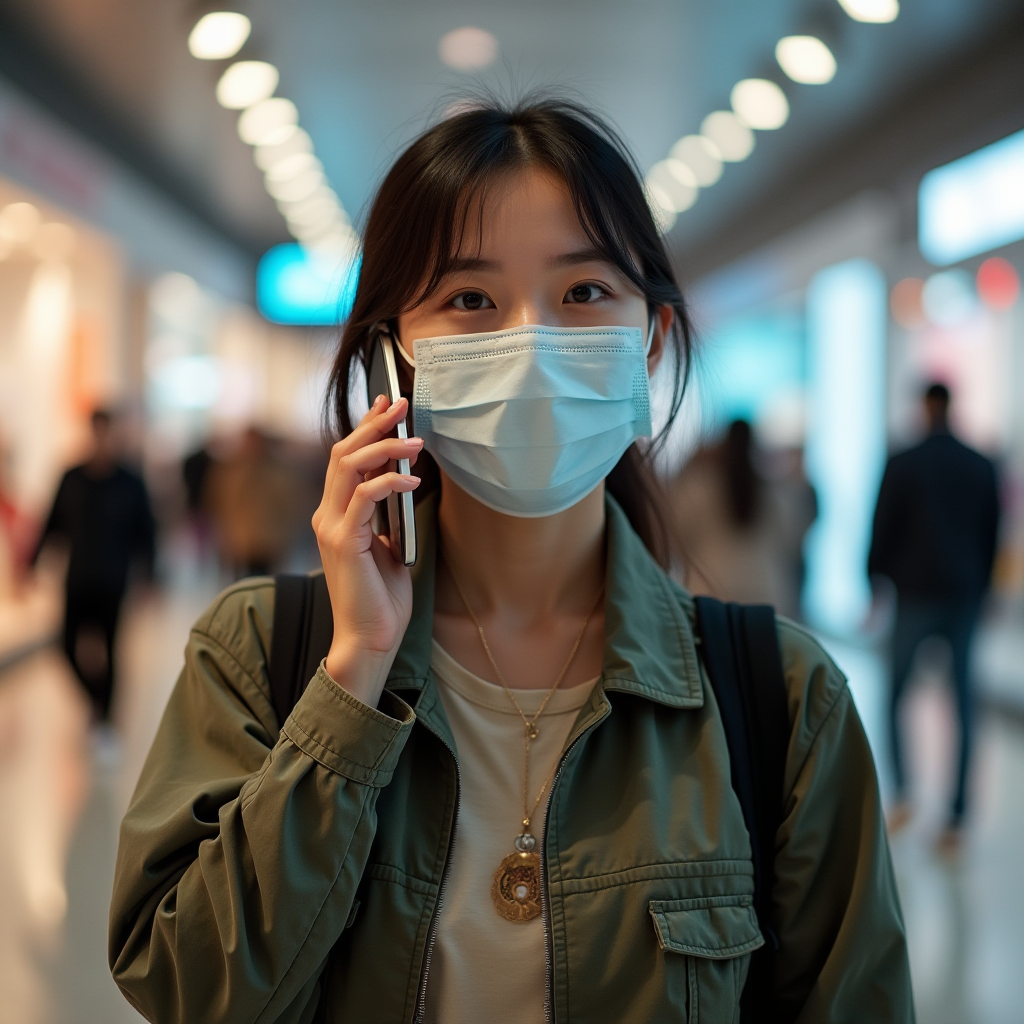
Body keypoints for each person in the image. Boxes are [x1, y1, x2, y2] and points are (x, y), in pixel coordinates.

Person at [109, 99, 913, 1023]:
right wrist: (353, 681)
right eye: (469, 300)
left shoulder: (783, 700)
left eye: (583, 292)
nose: (531, 341)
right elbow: (183, 987)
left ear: (646, 338)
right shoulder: (260, 652)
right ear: (389, 360)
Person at [868, 382, 1000, 848]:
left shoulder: (904, 462)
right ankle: (957, 815)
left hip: (914, 594)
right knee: (963, 705)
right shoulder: (980, 464)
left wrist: (873, 584)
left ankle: (904, 795)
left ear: (925, 407)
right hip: (962, 595)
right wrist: (985, 592)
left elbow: (882, 524)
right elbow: (992, 535)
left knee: (896, 695)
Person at [33, 408, 156, 723]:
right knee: (66, 645)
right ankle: (96, 698)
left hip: (113, 580)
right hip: (78, 578)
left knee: (110, 650)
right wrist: (32, 563)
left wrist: (149, 577)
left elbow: (147, 531)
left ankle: (105, 719)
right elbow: (53, 522)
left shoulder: (129, 482)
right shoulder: (72, 477)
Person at [668, 419, 814, 618]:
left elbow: (674, 534)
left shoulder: (701, 487)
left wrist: (689, 466)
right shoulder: (774, 492)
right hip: (765, 593)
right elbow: (793, 542)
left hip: (710, 591)